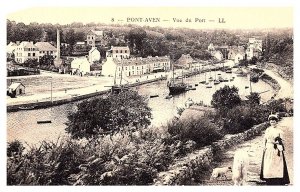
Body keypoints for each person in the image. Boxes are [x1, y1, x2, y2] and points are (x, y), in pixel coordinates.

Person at [260, 114, 290, 185]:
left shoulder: (279, 131)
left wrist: (278, 142)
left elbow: (282, 140)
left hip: (276, 148)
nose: (272, 123)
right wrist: (264, 146)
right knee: (268, 163)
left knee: (276, 163)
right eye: (271, 122)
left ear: (276, 122)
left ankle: (277, 179)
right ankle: (268, 178)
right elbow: (265, 139)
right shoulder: (268, 130)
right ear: (269, 122)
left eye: (274, 121)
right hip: (269, 148)